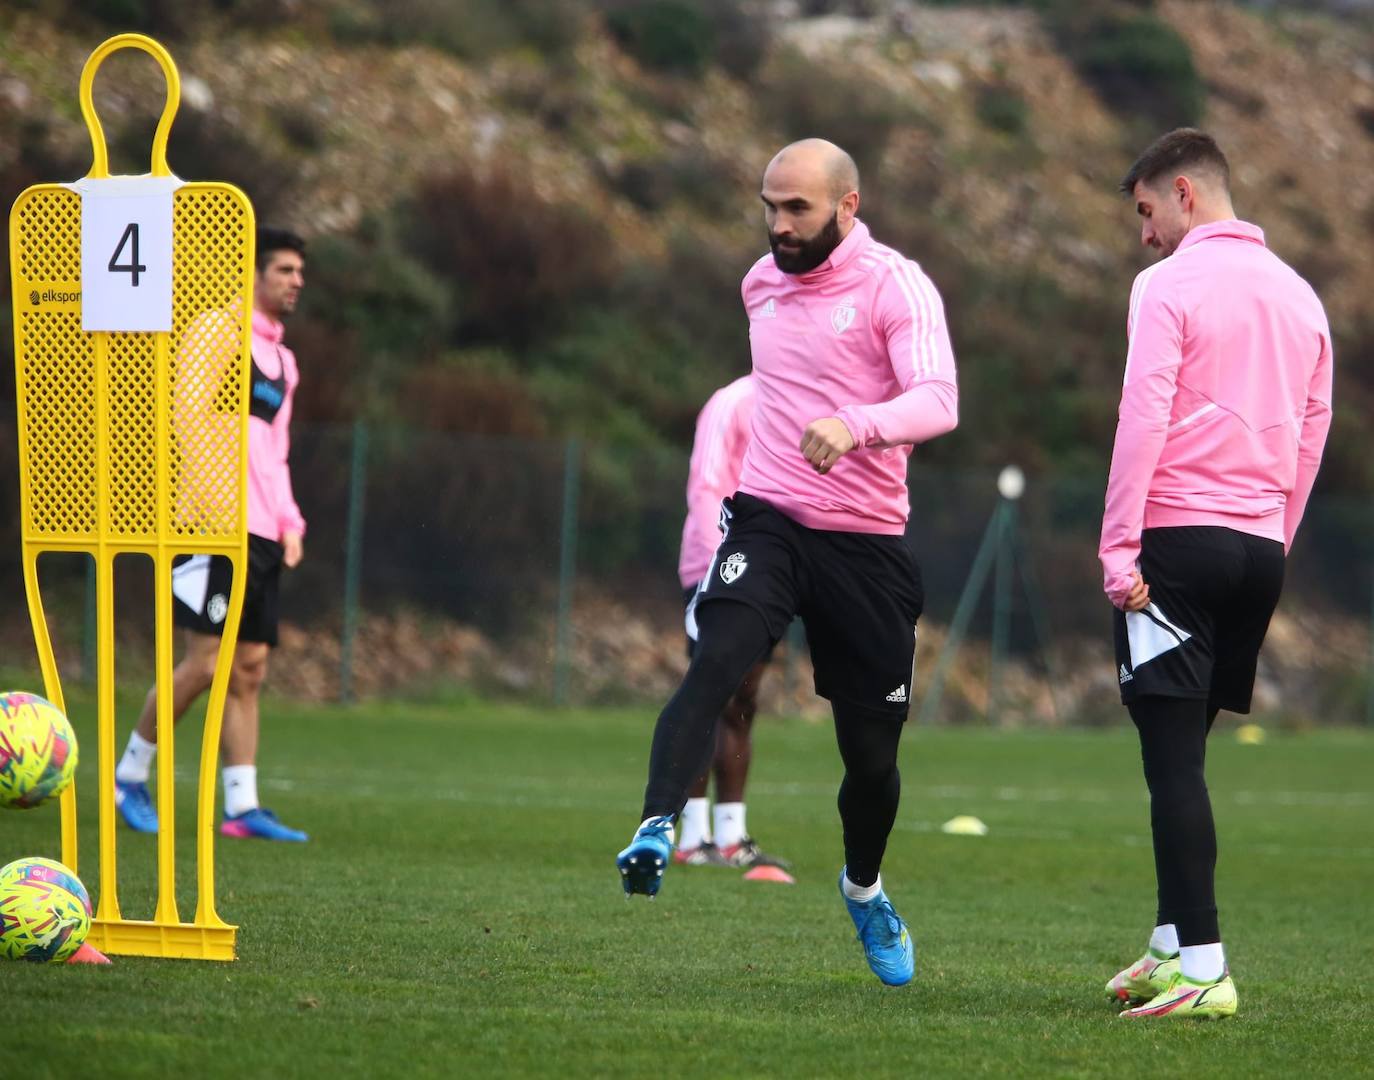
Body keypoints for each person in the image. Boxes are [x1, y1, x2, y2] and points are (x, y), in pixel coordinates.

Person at [615, 139, 958, 988]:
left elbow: (939, 400)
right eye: (769, 206)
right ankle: (658, 825)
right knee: (717, 663)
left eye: (797, 208)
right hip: (767, 521)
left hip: (867, 544)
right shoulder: (758, 284)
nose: (778, 225)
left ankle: (864, 889)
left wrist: (858, 423)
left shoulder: (895, 285)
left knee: (872, 761)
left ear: (848, 205)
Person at [1099, 130, 1332, 1019]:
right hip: (1257, 551)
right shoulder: (1302, 296)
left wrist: (1120, 550)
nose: (1145, 234)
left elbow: (1141, 419)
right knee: (1185, 755)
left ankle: (1203, 966)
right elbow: (1313, 430)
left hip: (1178, 546)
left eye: (1148, 211)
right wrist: (1277, 538)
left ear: (1185, 193)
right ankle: (1168, 946)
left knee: (1171, 764)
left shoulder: (1166, 287)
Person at [113, 226, 312, 843]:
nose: (295, 281)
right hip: (210, 526)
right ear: (253, 274)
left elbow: (274, 451)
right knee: (202, 664)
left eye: (300, 272)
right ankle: (129, 777)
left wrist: (289, 522)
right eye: (283, 269)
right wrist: (204, 509)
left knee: (249, 668)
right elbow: (185, 418)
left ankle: (242, 808)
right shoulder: (214, 333)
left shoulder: (283, 361)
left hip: (261, 534)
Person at [676, 373, 788, 871]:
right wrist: (721, 563)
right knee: (708, 694)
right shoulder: (733, 401)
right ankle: (691, 836)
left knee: (743, 701)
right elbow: (705, 484)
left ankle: (730, 836)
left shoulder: (803, 400)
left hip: (769, 576)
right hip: (716, 567)